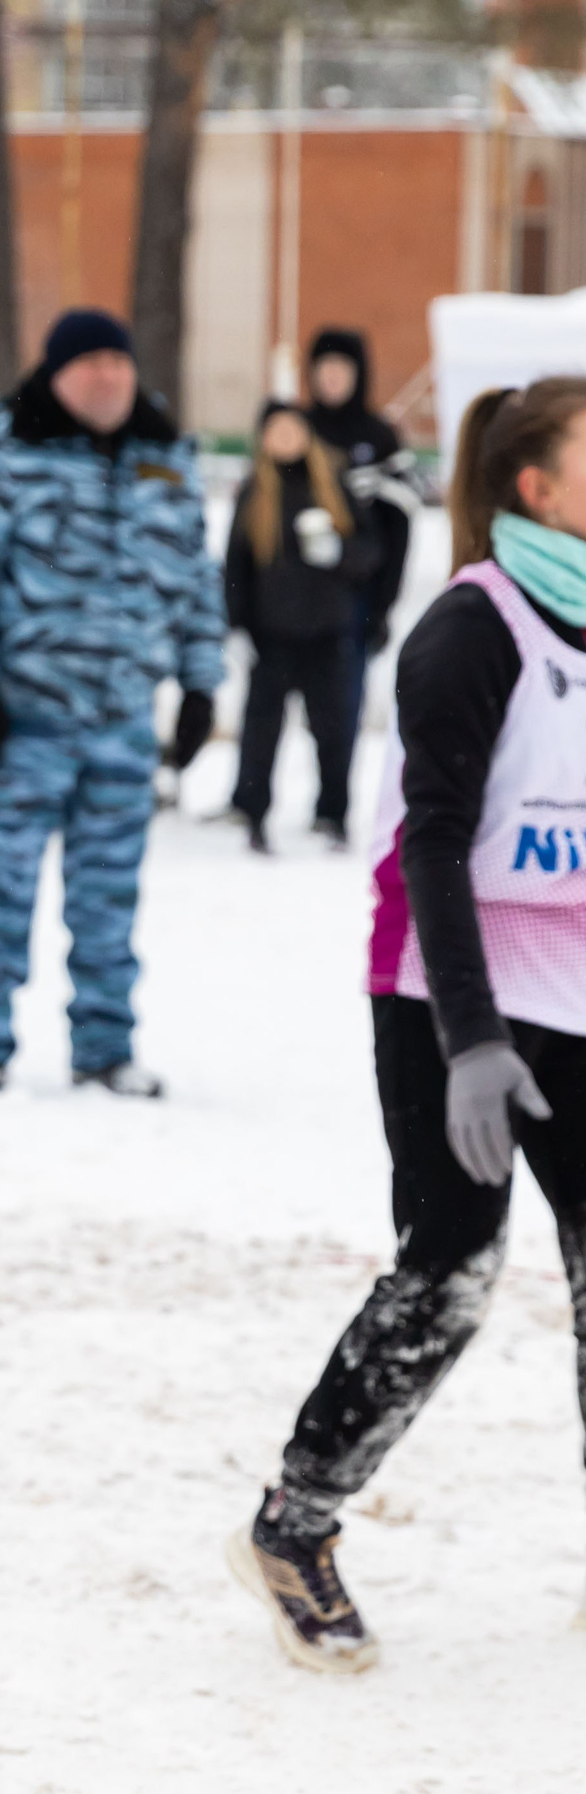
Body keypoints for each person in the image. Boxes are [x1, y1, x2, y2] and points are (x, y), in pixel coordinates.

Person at [231, 379, 586, 1674]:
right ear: (537, 487)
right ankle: (292, 1525)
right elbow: (432, 843)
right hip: (447, 996)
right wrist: (473, 1041)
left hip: (574, 992)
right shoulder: (469, 627)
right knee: (452, 1267)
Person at [0, 308, 225, 1097]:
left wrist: (201, 684)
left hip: (124, 721)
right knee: (2, 890)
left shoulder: (165, 459)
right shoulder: (3, 454)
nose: (108, 378)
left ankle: (105, 1046)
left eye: (119, 363)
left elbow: (197, 581)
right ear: (55, 375)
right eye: (90, 364)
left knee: (109, 896)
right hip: (25, 717)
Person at [223, 400, 384, 853]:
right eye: (276, 431)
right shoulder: (256, 492)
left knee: (334, 730)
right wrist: (236, 625)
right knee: (261, 731)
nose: (286, 439)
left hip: (328, 632)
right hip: (271, 635)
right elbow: (236, 565)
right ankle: (252, 812)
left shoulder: (333, 485)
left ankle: (333, 814)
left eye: (293, 430)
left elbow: (370, 552)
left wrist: (339, 553)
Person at [304, 327, 421, 732]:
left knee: (341, 712)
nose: (332, 377)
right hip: (293, 602)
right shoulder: (297, 431)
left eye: (342, 368)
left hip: (357, 598)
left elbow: (400, 526)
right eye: (324, 367)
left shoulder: (380, 437)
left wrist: (384, 605)